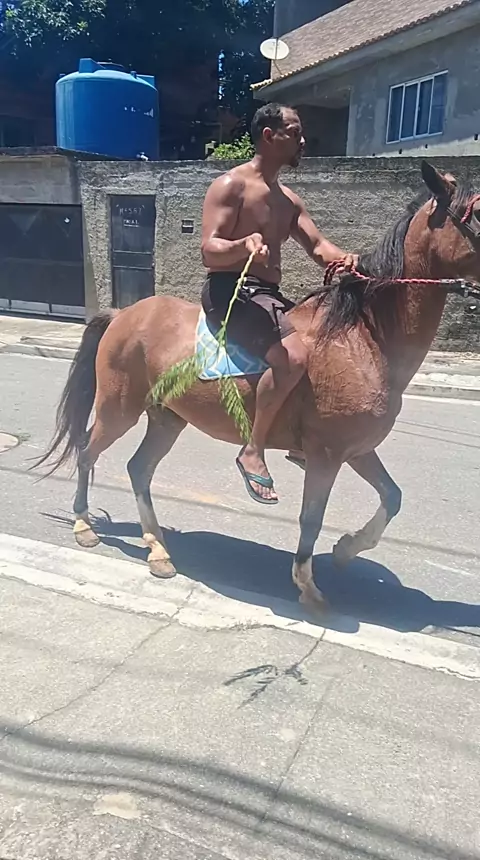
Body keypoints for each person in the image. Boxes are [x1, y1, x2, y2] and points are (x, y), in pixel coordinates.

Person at [201, 103, 358, 504]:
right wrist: (242, 244)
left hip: (266, 295)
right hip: (231, 290)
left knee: (321, 345)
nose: (303, 140)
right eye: (295, 132)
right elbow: (208, 250)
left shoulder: (288, 200)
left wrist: (347, 261)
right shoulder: (231, 186)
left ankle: (300, 439)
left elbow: (318, 246)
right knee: (292, 357)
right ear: (269, 136)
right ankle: (252, 450)